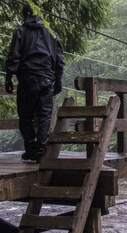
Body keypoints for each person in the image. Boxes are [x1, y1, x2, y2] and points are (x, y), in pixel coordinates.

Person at [4, 2, 64, 162]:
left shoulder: (20, 32)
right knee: (44, 116)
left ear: (24, 15)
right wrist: (58, 80)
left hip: (27, 80)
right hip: (46, 79)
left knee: (25, 116)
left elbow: (14, 56)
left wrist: (8, 77)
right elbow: (59, 60)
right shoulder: (51, 34)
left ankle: (31, 149)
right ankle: (42, 150)